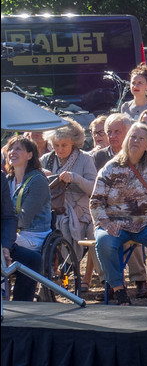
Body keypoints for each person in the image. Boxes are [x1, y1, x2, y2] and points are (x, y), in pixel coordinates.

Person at [89, 123, 147, 306]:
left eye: (141, 138)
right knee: (104, 242)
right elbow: (95, 201)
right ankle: (119, 290)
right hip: (115, 222)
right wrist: (105, 223)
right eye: (132, 136)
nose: (135, 141)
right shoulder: (111, 167)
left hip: (146, 223)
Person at [41, 120, 98, 265]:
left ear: (73, 142)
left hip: (82, 213)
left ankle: (105, 279)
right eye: (56, 145)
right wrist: (42, 175)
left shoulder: (85, 159)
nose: (59, 149)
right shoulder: (45, 160)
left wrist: (75, 178)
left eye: (64, 145)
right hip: (53, 211)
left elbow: (94, 190)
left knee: (94, 233)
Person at [5, 136, 51, 301]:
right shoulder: (7, 180)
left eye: (18, 149)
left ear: (30, 155)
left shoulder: (38, 181)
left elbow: (24, 219)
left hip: (33, 234)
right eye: (10, 148)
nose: (12, 152)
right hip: (13, 233)